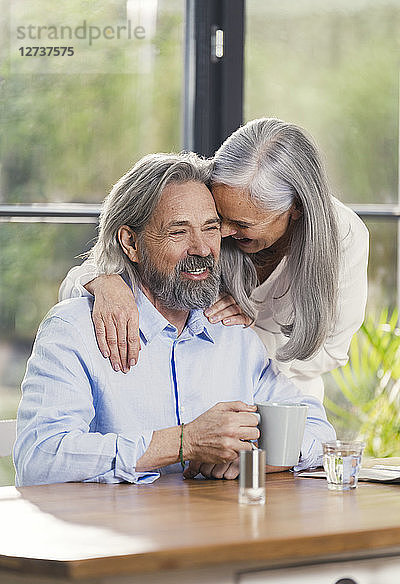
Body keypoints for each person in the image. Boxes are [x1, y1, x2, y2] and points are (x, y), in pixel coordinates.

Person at [14, 153, 335, 486]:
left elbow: (318, 430)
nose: (201, 248)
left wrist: (258, 459)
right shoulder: (75, 330)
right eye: (178, 232)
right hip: (114, 535)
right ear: (131, 243)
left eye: (211, 229)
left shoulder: (232, 334)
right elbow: (40, 458)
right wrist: (185, 442)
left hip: (219, 531)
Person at [60, 118, 369, 401]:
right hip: (197, 399)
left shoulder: (344, 237)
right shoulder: (202, 216)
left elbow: (330, 351)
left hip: (284, 399)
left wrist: (246, 340)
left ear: (296, 209)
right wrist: (103, 281)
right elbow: (99, 265)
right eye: (218, 218)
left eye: (243, 225)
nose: (221, 232)